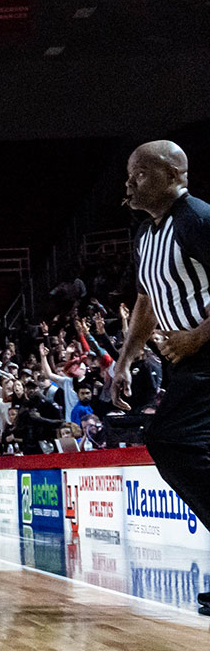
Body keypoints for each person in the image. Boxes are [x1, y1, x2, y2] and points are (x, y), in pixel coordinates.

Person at [111, 140, 210, 617]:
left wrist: (195, 337)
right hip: (183, 362)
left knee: (170, 441)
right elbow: (148, 300)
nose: (129, 183)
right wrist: (125, 359)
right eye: (130, 175)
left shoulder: (197, 220)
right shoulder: (147, 234)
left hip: (206, 354)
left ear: (173, 174)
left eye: (141, 174)